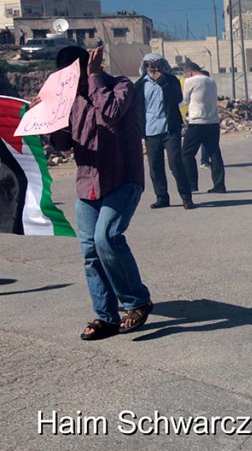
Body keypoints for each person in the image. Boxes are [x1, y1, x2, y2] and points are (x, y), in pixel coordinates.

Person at [45, 45, 154, 340]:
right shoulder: (72, 101)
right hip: (87, 183)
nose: (72, 83)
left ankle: (137, 302)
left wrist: (93, 79)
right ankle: (106, 316)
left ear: (87, 67)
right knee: (90, 251)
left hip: (122, 179)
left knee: (107, 238)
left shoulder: (121, 86)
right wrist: (44, 119)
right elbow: (64, 143)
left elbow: (112, 111)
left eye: (75, 76)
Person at [134, 53, 193, 210]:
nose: (154, 68)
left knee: (175, 163)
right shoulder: (140, 85)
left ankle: (186, 197)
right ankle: (162, 197)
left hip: (170, 129)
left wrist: (162, 82)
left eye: (157, 65)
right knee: (155, 165)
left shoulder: (171, 80)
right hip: (151, 131)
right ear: (145, 67)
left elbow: (177, 98)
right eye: (150, 66)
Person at [180, 61, 226, 195]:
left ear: (189, 72)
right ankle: (219, 184)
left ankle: (191, 184)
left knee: (187, 153)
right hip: (212, 121)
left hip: (197, 121)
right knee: (214, 153)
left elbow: (185, 100)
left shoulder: (191, 81)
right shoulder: (211, 81)